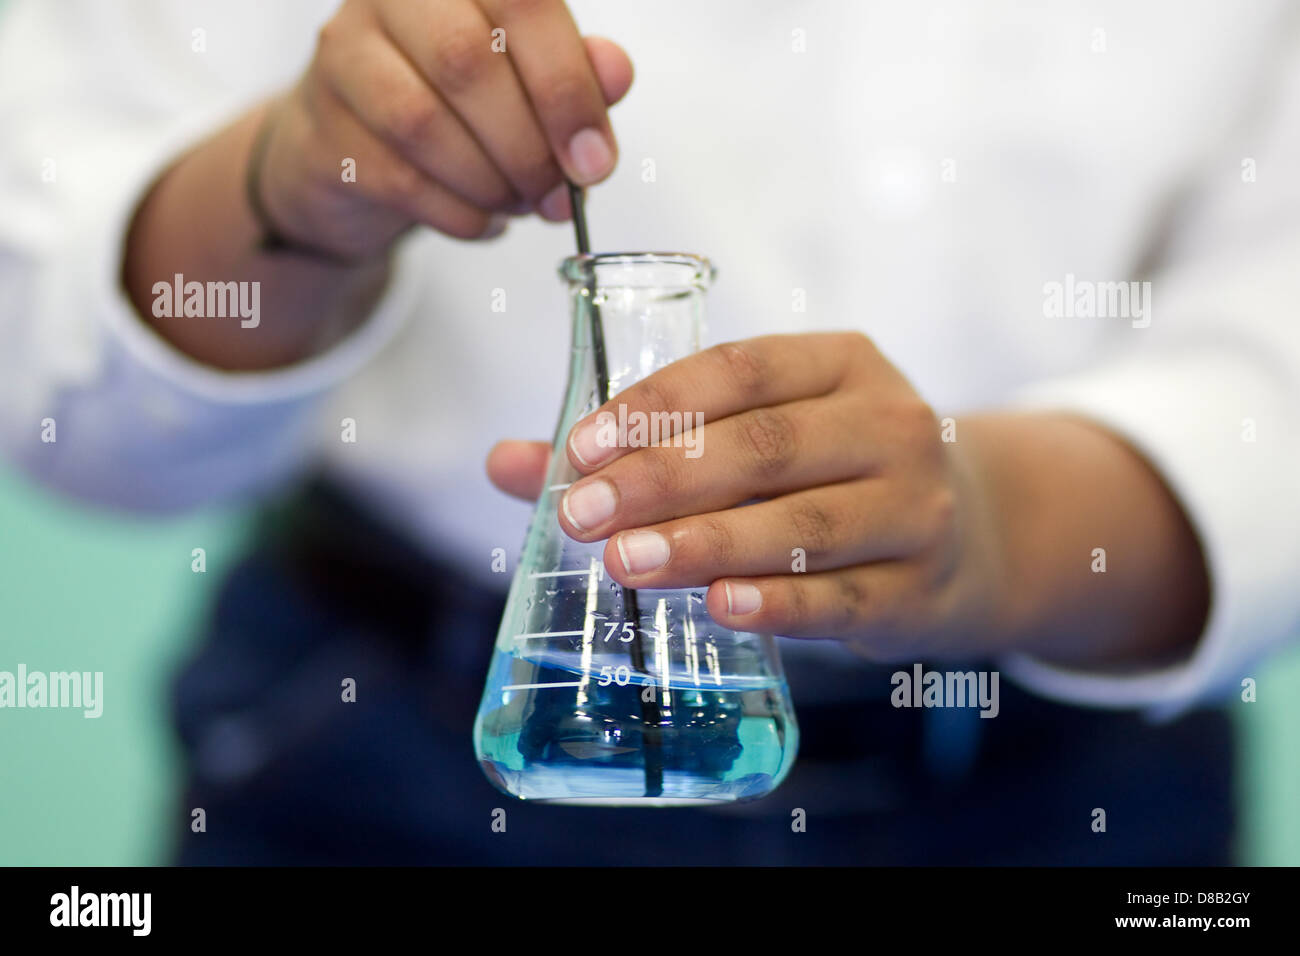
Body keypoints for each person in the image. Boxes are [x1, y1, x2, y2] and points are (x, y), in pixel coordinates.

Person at [2, 0, 1298, 864]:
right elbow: (63, 395)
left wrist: (998, 526)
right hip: (379, 763)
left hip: (1059, 792)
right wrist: (295, 187)